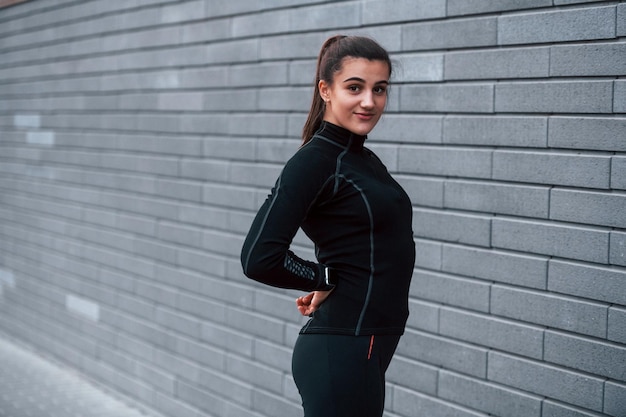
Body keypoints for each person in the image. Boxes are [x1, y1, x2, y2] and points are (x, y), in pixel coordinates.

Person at [240, 35, 415, 417]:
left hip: (367, 341)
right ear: (326, 90)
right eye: (355, 87)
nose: (369, 101)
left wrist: (331, 279)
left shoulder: (363, 159)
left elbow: (370, 246)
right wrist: (326, 277)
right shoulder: (314, 161)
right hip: (343, 346)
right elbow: (258, 257)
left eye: (379, 89)